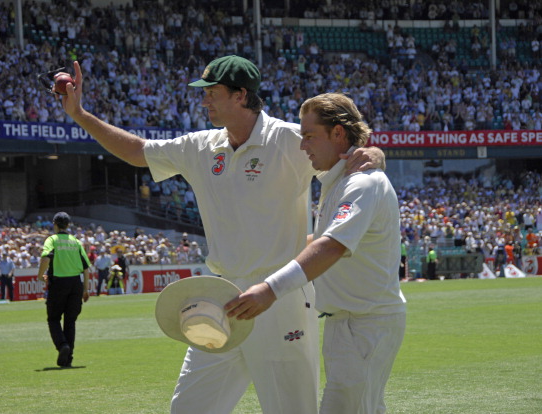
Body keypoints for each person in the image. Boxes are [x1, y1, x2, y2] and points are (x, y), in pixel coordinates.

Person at [56, 56, 384, 413]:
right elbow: (137, 152)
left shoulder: (290, 139)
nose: (204, 101)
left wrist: (375, 154)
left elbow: (347, 154)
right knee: (189, 408)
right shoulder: (200, 147)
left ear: (241, 95)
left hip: (280, 299)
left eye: (212, 93)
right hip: (220, 299)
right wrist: (79, 114)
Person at [225, 93, 406, 414]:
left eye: (309, 136)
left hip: (365, 324)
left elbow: (330, 246)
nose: (302, 145)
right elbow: (318, 241)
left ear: (338, 133)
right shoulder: (339, 181)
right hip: (349, 323)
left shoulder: (361, 184)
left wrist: (270, 290)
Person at [37, 212, 90, 368]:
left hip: (59, 283)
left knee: (53, 319)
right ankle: (68, 359)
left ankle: (62, 346)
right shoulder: (75, 242)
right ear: (68, 225)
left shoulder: (52, 239)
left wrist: (41, 275)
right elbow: (86, 269)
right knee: (70, 321)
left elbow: (46, 257)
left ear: (55, 224)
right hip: (76, 284)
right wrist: (85, 290)